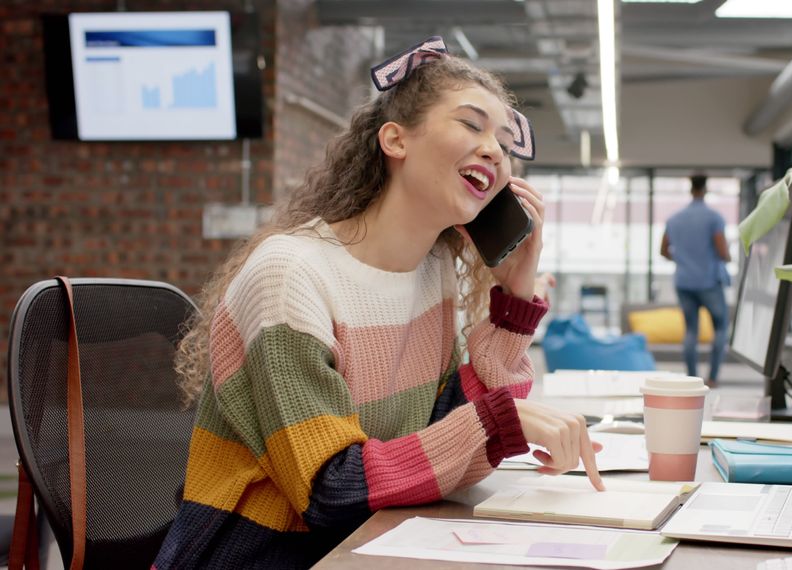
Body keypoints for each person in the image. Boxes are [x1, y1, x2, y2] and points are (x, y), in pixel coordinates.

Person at [154, 37, 603, 570]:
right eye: (471, 124)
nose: (493, 150)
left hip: (366, 545)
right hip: (258, 555)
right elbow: (329, 489)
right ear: (395, 140)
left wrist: (515, 299)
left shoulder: (429, 274)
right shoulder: (289, 275)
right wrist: (497, 422)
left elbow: (445, 432)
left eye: (504, 143)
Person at [660, 173, 732, 384]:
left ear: (690, 189)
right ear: (705, 189)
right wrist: (728, 255)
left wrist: (683, 259)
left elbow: (663, 250)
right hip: (709, 281)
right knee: (721, 329)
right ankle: (713, 377)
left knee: (691, 330)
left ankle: (692, 378)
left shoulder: (674, 219)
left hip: (684, 282)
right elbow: (722, 251)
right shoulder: (713, 217)